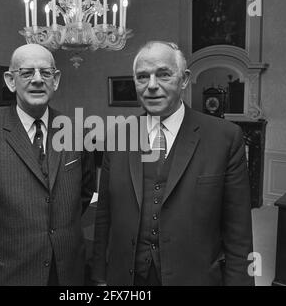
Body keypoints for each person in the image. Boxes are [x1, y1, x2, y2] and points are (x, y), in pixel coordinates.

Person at [91, 41, 254, 286]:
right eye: (142, 77)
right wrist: (99, 277)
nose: (152, 86)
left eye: (164, 75)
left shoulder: (224, 138)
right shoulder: (118, 137)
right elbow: (105, 214)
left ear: (184, 79)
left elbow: (238, 232)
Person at [0, 44, 96, 285]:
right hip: (10, 268)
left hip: (67, 267)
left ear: (56, 80)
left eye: (45, 73)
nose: (37, 80)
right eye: (26, 73)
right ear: (11, 81)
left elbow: (83, 194)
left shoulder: (77, 130)